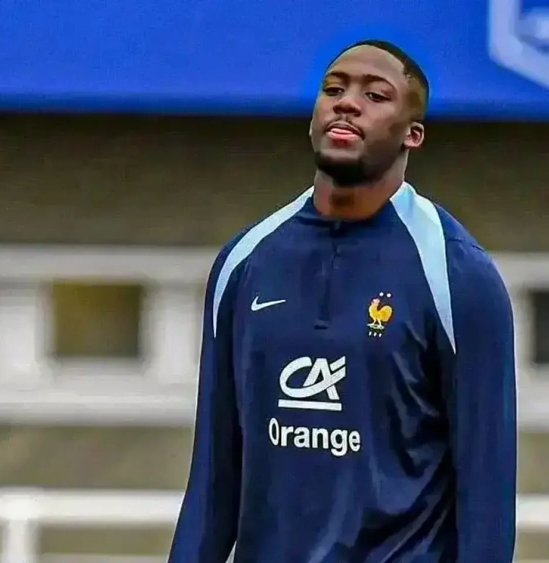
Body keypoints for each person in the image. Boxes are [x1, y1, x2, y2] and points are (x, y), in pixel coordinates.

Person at [168, 40, 516, 562]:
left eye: (375, 95)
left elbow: (486, 492)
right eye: (333, 90)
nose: (347, 103)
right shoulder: (244, 263)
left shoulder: (458, 276)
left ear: (412, 134)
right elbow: (213, 478)